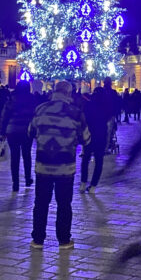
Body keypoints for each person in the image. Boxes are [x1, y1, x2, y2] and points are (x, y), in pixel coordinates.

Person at [28, 81, 90, 250]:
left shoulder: (40, 109)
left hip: (43, 164)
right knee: (64, 203)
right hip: (65, 166)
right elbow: (86, 138)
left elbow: (30, 132)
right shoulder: (75, 113)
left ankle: (38, 239)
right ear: (69, 94)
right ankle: (63, 240)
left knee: (41, 203)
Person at [0, 80, 37, 192]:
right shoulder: (32, 100)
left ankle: (15, 183)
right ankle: (27, 178)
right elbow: (35, 116)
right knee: (27, 155)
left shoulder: (11, 99)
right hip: (27, 131)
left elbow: (4, 116)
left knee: (14, 157)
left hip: (12, 130)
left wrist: (2, 131)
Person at [81, 79, 116, 193]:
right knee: (99, 160)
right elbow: (110, 117)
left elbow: (84, 118)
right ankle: (93, 186)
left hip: (89, 133)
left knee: (86, 158)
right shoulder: (106, 106)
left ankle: (83, 183)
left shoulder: (89, 104)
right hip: (101, 133)